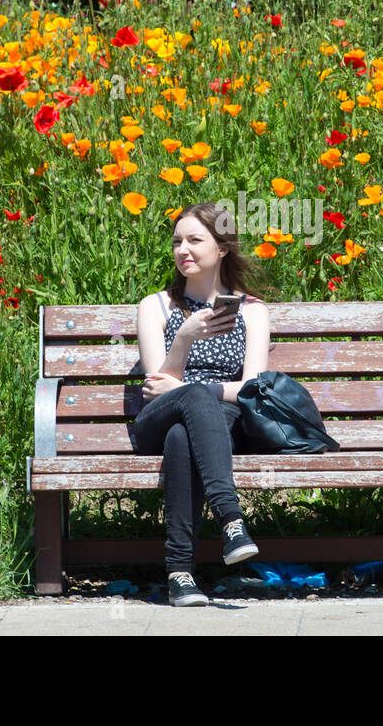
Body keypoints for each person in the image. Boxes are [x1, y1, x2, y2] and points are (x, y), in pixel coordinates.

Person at [130, 201, 274, 607]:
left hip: (218, 427)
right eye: (177, 241)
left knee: (184, 433)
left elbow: (251, 388)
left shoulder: (251, 311)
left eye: (195, 240)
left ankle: (179, 574)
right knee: (185, 405)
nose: (183, 250)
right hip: (153, 423)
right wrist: (184, 339)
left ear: (222, 248)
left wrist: (200, 389)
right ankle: (230, 518)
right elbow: (158, 383)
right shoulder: (156, 307)